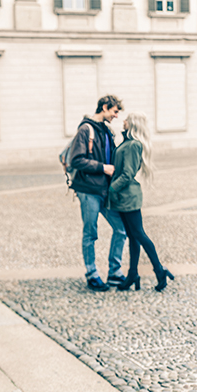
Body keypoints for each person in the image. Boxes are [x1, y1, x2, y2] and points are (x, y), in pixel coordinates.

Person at [108, 112, 174, 292]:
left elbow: (127, 174)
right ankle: (133, 274)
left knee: (139, 234)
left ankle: (159, 270)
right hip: (124, 197)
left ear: (134, 124)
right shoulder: (128, 143)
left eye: (127, 119)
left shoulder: (133, 145)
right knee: (133, 236)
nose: (124, 121)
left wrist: (112, 189)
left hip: (128, 196)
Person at [69, 95, 127, 291]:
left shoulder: (107, 131)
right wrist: (103, 167)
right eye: (114, 111)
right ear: (104, 107)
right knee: (90, 233)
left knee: (121, 229)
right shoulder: (86, 129)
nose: (116, 116)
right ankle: (92, 274)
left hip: (106, 190)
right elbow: (75, 160)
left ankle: (114, 272)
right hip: (89, 190)